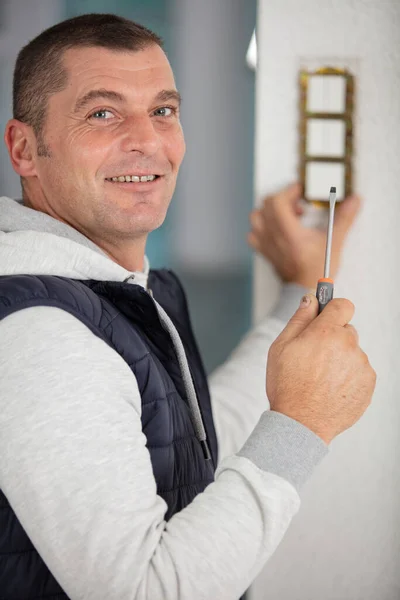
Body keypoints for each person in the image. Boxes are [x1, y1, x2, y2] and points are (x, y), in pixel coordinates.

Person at [0, 13, 376, 600]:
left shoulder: (115, 292)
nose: (147, 140)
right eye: (102, 113)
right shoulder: (44, 333)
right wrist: (303, 425)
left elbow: (197, 449)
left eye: (162, 110)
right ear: (25, 149)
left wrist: (294, 297)